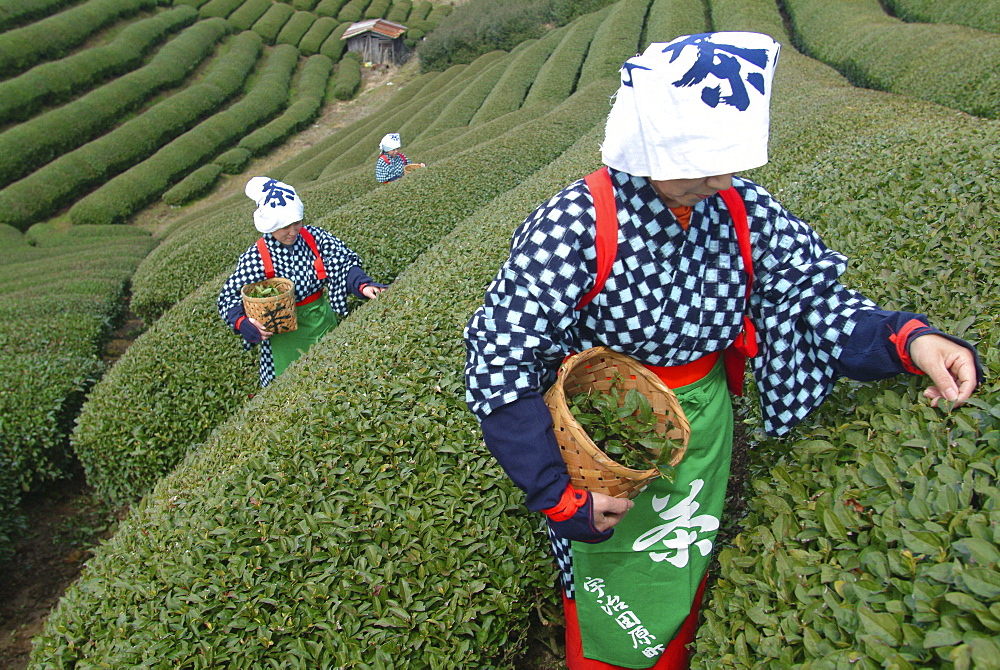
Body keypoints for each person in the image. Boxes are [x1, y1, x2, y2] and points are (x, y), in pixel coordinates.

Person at [463, 32, 982, 669]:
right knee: (606, 574)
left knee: (683, 562)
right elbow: (502, 356)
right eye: (700, 161)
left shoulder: (738, 206)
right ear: (646, 146)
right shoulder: (574, 223)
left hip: (704, 421)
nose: (720, 178)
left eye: (729, 161)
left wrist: (913, 341)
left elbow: (812, 300)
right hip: (606, 433)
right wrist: (554, 491)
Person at [219, 176, 388, 387]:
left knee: (336, 374)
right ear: (269, 226)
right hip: (284, 334)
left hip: (321, 318)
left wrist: (363, 284)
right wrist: (241, 322)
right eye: (284, 227)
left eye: (296, 223)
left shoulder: (314, 237)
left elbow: (341, 264)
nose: (293, 232)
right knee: (292, 386)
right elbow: (229, 297)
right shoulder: (257, 256)